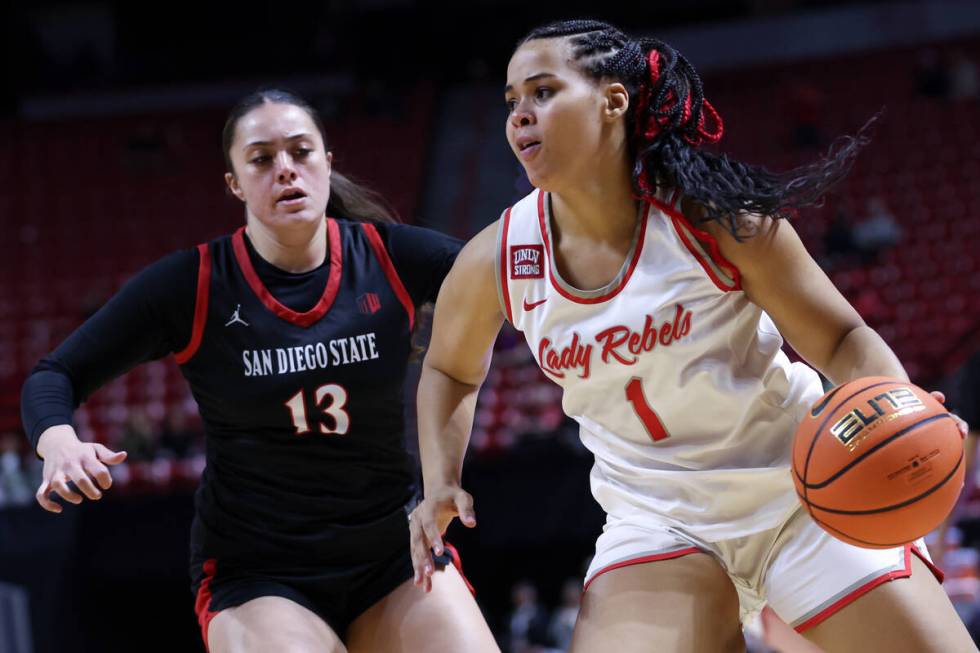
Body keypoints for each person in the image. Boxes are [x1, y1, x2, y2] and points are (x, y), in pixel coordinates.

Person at [408, 19, 974, 652]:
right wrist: (440, 481)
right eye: (512, 102)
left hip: (800, 495)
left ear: (613, 101)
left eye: (542, 92)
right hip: (658, 522)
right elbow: (450, 369)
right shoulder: (499, 258)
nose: (520, 116)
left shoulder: (711, 217)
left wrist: (891, 409)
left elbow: (842, 336)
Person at [20, 89, 498, 653]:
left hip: (391, 553)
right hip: (260, 573)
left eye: (301, 152)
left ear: (328, 162)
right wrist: (57, 442)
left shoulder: (389, 255)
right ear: (234, 184)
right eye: (262, 159)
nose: (286, 170)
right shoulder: (194, 283)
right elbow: (53, 374)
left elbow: (506, 275)